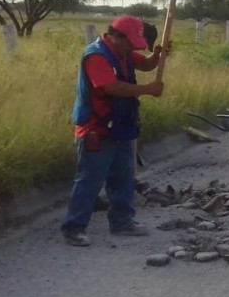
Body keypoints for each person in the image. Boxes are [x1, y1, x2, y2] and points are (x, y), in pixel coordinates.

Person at [60, 15, 166, 247]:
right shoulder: (96, 55)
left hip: (120, 126)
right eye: (129, 43)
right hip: (95, 128)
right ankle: (74, 228)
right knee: (90, 179)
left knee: (123, 177)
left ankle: (122, 221)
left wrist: (158, 55)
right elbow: (111, 87)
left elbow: (146, 64)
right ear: (116, 36)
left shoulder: (122, 52)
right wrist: (148, 89)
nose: (131, 49)